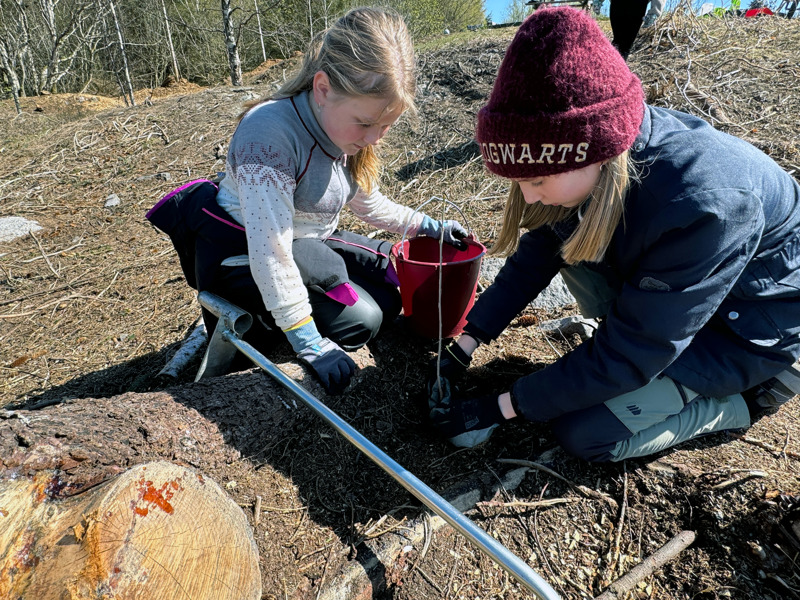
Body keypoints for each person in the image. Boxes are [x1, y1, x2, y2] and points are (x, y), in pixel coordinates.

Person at [427, 7, 800, 461]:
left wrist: (502, 407)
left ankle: (735, 404)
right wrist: (468, 341)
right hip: (680, 298)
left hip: (748, 328)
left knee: (586, 435)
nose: (529, 195)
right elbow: (540, 250)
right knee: (570, 250)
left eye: (537, 181)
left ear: (594, 152)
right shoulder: (596, 162)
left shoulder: (706, 204)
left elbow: (637, 350)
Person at [147, 7, 466, 394]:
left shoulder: (341, 130)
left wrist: (431, 226)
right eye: (366, 123)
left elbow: (368, 204)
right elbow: (272, 252)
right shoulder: (269, 135)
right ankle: (273, 327)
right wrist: (307, 341)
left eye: (386, 125)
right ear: (323, 88)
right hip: (244, 258)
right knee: (362, 320)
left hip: (307, 243)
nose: (374, 138)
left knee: (390, 291)